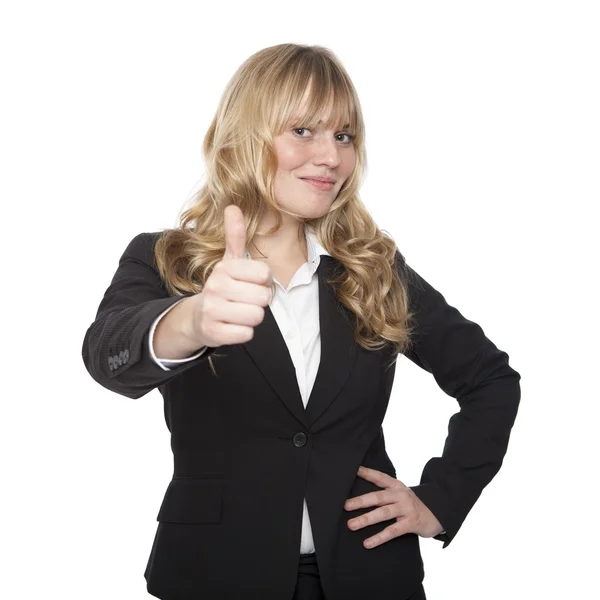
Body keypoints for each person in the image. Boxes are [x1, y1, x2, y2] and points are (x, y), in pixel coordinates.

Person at [82, 43, 521, 600]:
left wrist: (439, 499)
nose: (332, 157)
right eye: (303, 131)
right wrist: (191, 321)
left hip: (369, 578)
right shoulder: (168, 259)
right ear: (246, 137)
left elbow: (491, 380)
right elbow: (106, 355)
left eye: (344, 136)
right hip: (214, 577)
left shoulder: (373, 270)